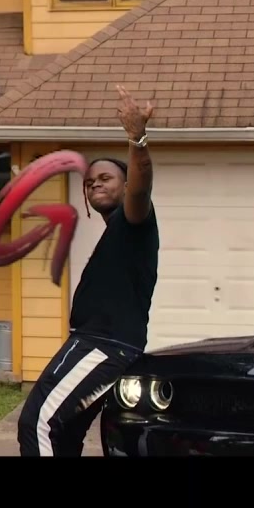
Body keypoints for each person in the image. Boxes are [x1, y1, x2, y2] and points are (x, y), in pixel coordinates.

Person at [17, 85, 159, 456]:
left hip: (103, 346)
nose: (95, 182)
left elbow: (142, 187)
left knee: (37, 424)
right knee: (64, 436)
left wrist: (137, 139)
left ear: (125, 187)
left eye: (105, 178)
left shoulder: (135, 220)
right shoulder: (116, 233)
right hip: (98, 344)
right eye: (89, 181)